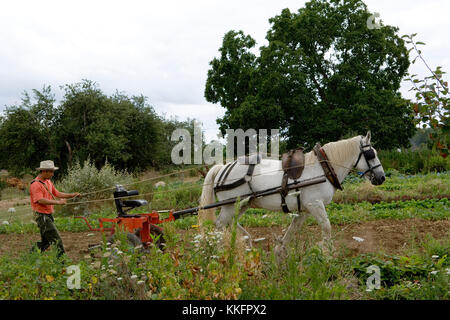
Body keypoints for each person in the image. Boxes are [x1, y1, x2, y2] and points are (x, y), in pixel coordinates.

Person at [29, 160, 81, 257]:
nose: (53, 174)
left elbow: (57, 193)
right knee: (57, 240)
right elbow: (40, 200)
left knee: (46, 242)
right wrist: (58, 202)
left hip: (48, 214)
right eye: (51, 172)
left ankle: (31, 256)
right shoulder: (35, 184)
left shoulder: (48, 182)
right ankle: (62, 262)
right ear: (44, 171)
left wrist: (72, 195)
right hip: (41, 216)